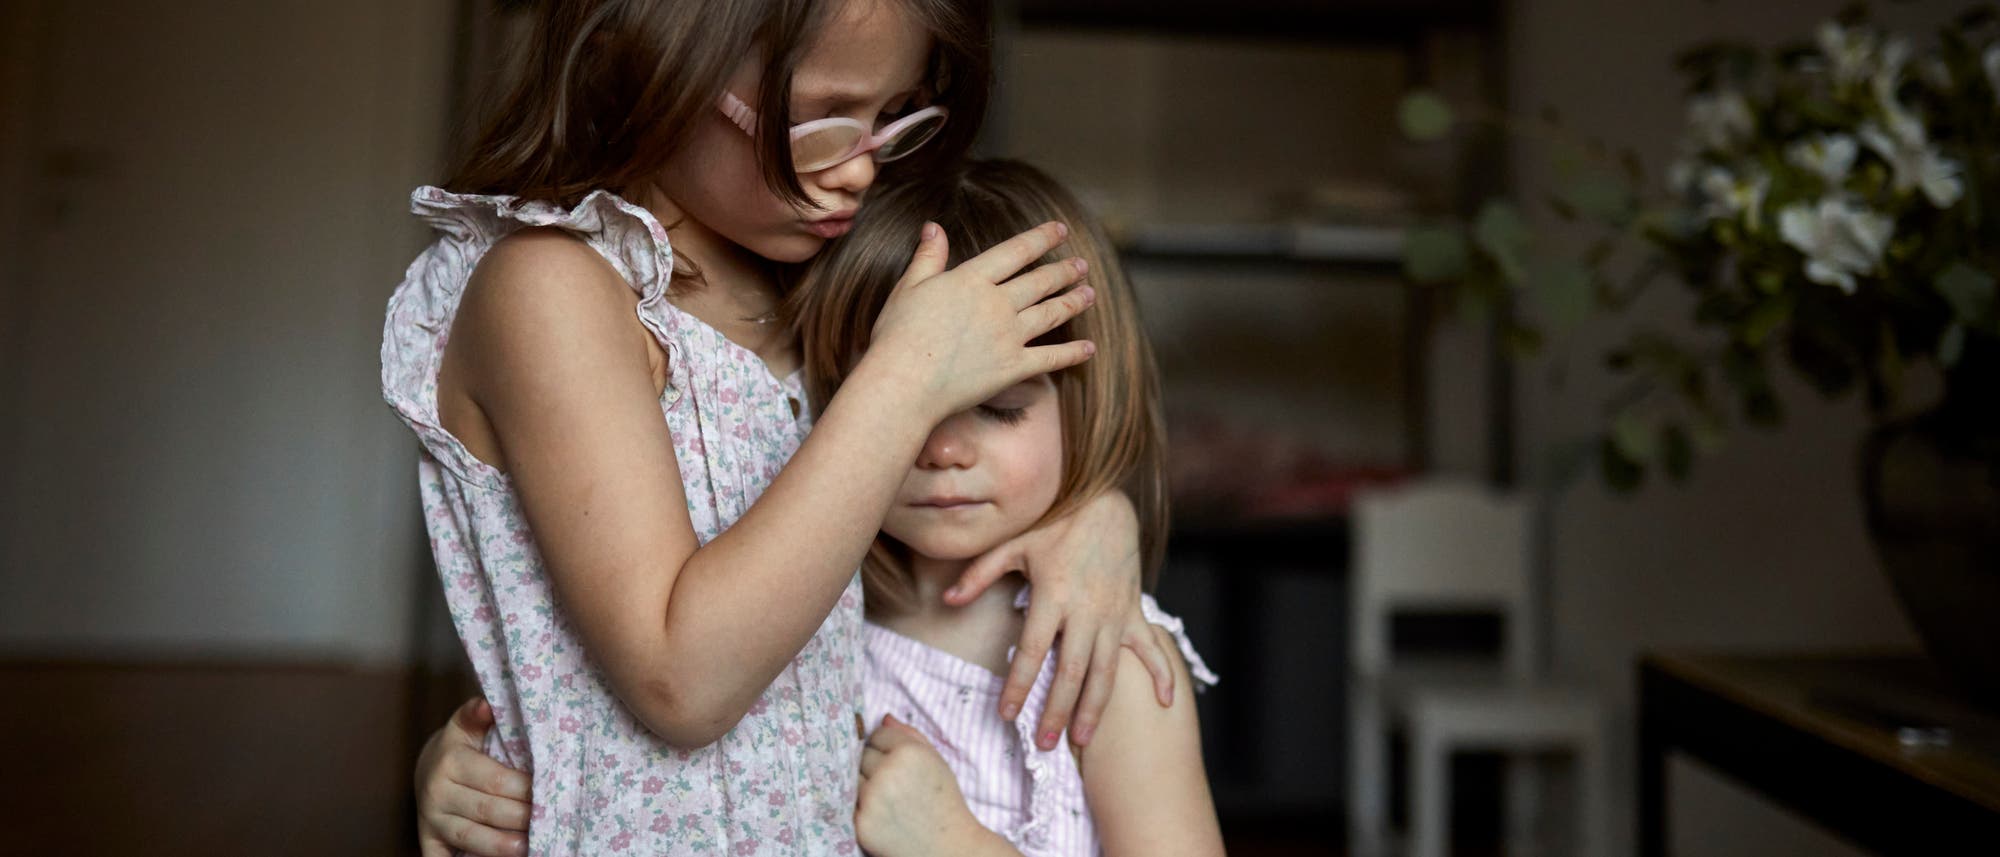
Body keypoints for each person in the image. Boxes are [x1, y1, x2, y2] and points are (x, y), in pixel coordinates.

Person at [381, 2, 1175, 853]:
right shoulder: (549, 288)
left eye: (892, 115)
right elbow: (677, 680)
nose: (862, 171)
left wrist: (1096, 515)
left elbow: (957, 470)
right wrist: (904, 377)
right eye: (822, 119)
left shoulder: (818, 285)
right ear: (638, 62)